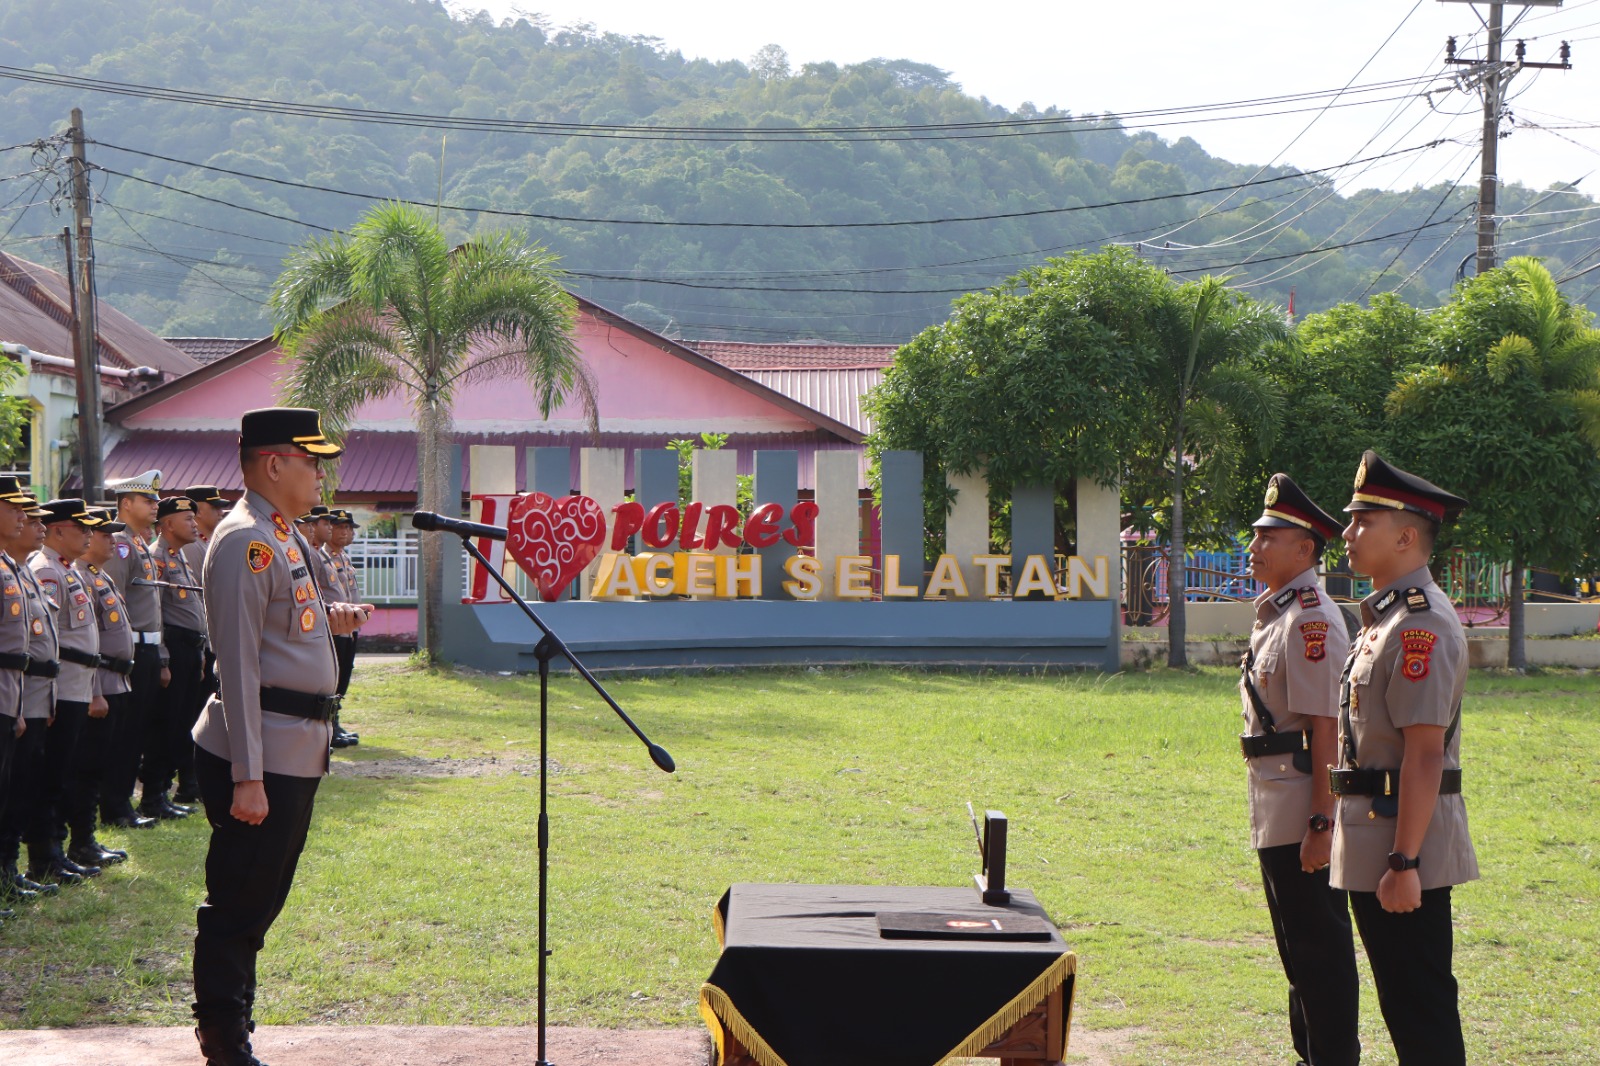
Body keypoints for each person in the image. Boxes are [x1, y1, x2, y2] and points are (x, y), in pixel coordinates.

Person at [190, 407, 373, 1066]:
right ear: (274, 464)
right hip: (259, 747)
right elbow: (236, 663)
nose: (321, 473)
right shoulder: (246, 539)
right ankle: (224, 1039)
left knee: (262, 897)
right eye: (311, 460)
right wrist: (248, 774)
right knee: (239, 903)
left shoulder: (281, 533)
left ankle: (233, 1020)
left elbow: (278, 619)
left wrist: (330, 616)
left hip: (292, 745)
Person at [1331, 450, 1476, 1066]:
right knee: (1404, 1003)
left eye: (1364, 522)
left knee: (1421, 1010)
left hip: (1401, 844)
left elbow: (1423, 756)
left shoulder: (1422, 626)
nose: (1347, 534)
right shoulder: (1384, 620)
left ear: (1407, 536)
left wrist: (1404, 861)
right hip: (1378, 836)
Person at [1242, 474, 1359, 1066]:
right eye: (1256, 536)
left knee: (1319, 952)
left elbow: (1327, 731)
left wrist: (1321, 822)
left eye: (1269, 537)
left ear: (1305, 550)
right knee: (1297, 953)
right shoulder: (1280, 612)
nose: (1254, 547)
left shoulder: (1311, 620)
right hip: (1276, 802)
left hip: (1300, 811)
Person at [23, 500, 108, 885]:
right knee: (51, 776)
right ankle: (46, 855)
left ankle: (56, 852)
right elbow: (48, 642)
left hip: (77, 685)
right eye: (81, 527)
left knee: (64, 772)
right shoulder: (46, 571)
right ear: (58, 530)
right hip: (61, 688)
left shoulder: (67, 571)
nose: (89, 535)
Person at [0, 498, 76, 886]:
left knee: (26, 783)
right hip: (13, 692)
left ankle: (12, 868)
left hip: (25, 692)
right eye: (22, 515)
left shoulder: (20, 572)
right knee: (13, 786)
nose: (32, 524)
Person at [100, 469, 171, 828]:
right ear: (125, 504)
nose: (156, 505)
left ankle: (123, 803)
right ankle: (115, 806)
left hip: (147, 650)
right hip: (130, 651)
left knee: (137, 731)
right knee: (125, 733)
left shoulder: (139, 542)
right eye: (148, 499)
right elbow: (116, 605)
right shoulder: (122, 544)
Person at [65, 507, 135, 870]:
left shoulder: (98, 576)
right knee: (87, 767)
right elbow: (81, 644)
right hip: (99, 683)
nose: (110, 540)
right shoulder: (79, 577)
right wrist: (94, 691)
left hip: (115, 680)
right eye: (104, 534)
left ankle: (85, 838)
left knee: (101, 762)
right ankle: (80, 841)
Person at [0, 476, 46, 910]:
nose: (23, 516)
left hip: (11, 691)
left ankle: (6, 873)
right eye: (12, 507)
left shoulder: (10, 566)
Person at [153, 496, 207, 811]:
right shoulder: (157, 557)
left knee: (184, 721)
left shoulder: (180, 556)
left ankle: (173, 789)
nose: (194, 524)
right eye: (188, 519)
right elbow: (155, 611)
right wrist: (162, 657)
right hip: (172, 648)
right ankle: (155, 793)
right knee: (167, 722)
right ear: (168, 524)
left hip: (189, 648)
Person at [324, 510, 361, 748]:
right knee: (333, 677)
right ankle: (329, 725)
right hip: (335, 627)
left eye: (349, 528)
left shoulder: (342, 556)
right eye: (341, 527)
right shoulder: (322, 556)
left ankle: (335, 720)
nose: (346, 532)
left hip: (349, 627)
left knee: (344, 675)